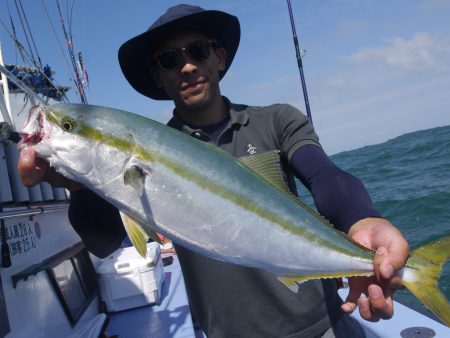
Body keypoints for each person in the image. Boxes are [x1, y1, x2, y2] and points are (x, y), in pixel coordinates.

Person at [18, 4, 409, 338]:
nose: (187, 66)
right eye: (170, 60)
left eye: (198, 51)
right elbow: (102, 240)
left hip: (322, 325)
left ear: (219, 56)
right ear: (158, 75)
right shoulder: (144, 156)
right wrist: (78, 184)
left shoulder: (275, 121)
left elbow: (326, 177)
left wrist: (363, 218)